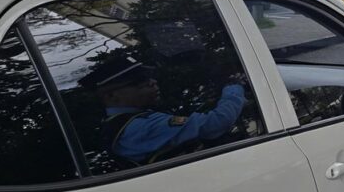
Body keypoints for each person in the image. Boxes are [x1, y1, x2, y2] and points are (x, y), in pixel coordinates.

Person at [79, 54, 246, 165]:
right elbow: (215, 124)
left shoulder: (124, 123)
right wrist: (234, 87)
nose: (153, 83)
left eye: (151, 78)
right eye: (141, 82)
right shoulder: (142, 127)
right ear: (111, 96)